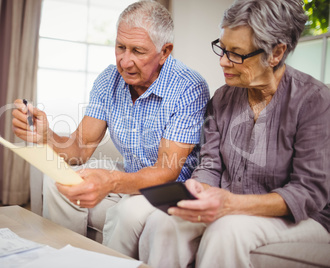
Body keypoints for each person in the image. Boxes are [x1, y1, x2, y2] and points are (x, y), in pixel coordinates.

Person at [138, 0, 330, 267]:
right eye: (222, 48)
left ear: (276, 53)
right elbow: (210, 165)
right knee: (164, 220)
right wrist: (200, 187)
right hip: (230, 207)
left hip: (302, 219)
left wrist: (232, 204)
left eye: (236, 54)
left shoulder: (315, 101)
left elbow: (309, 191)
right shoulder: (222, 98)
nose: (222, 61)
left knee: (226, 231)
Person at [12, 0, 209, 259]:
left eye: (137, 51)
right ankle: (64, 261)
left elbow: (166, 170)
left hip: (170, 188)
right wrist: (45, 136)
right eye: (120, 47)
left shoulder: (188, 87)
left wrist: (111, 180)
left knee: (127, 212)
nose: (125, 62)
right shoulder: (109, 79)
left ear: (164, 52)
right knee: (57, 180)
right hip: (132, 175)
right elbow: (80, 149)